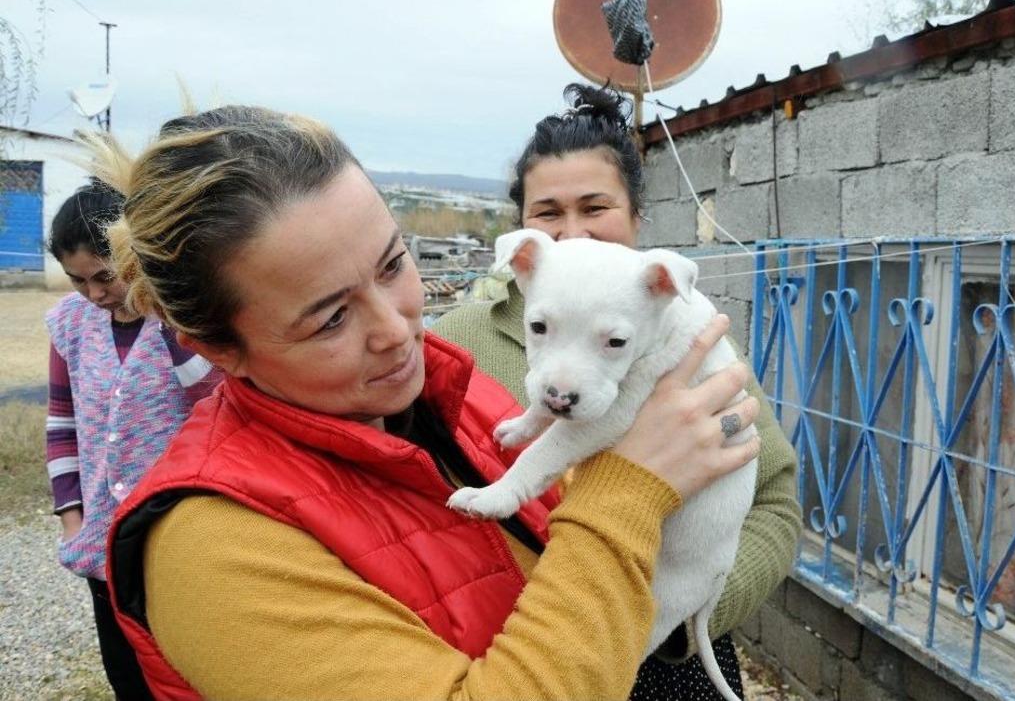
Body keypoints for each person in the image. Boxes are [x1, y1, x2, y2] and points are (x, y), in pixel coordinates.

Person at [84, 105, 762, 700]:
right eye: (329, 319)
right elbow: (605, 518)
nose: (397, 328)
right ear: (215, 346)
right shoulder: (213, 553)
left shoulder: (454, 401)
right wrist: (631, 490)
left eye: (392, 264)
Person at [433, 83, 802, 699]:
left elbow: (776, 499)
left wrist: (686, 611)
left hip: (668, 652)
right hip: (525, 658)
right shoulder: (457, 341)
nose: (573, 234)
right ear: (523, 239)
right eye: (548, 212)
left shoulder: (693, 337)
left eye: (595, 207)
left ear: (637, 218)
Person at [44, 183, 220, 700]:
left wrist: (162, 309)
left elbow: (212, 397)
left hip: (178, 532)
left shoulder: (184, 315)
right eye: (80, 282)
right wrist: (72, 518)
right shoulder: (70, 325)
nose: (97, 294)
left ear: (135, 256)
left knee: (189, 671)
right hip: (102, 537)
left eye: (106, 276)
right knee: (127, 676)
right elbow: (61, 423)